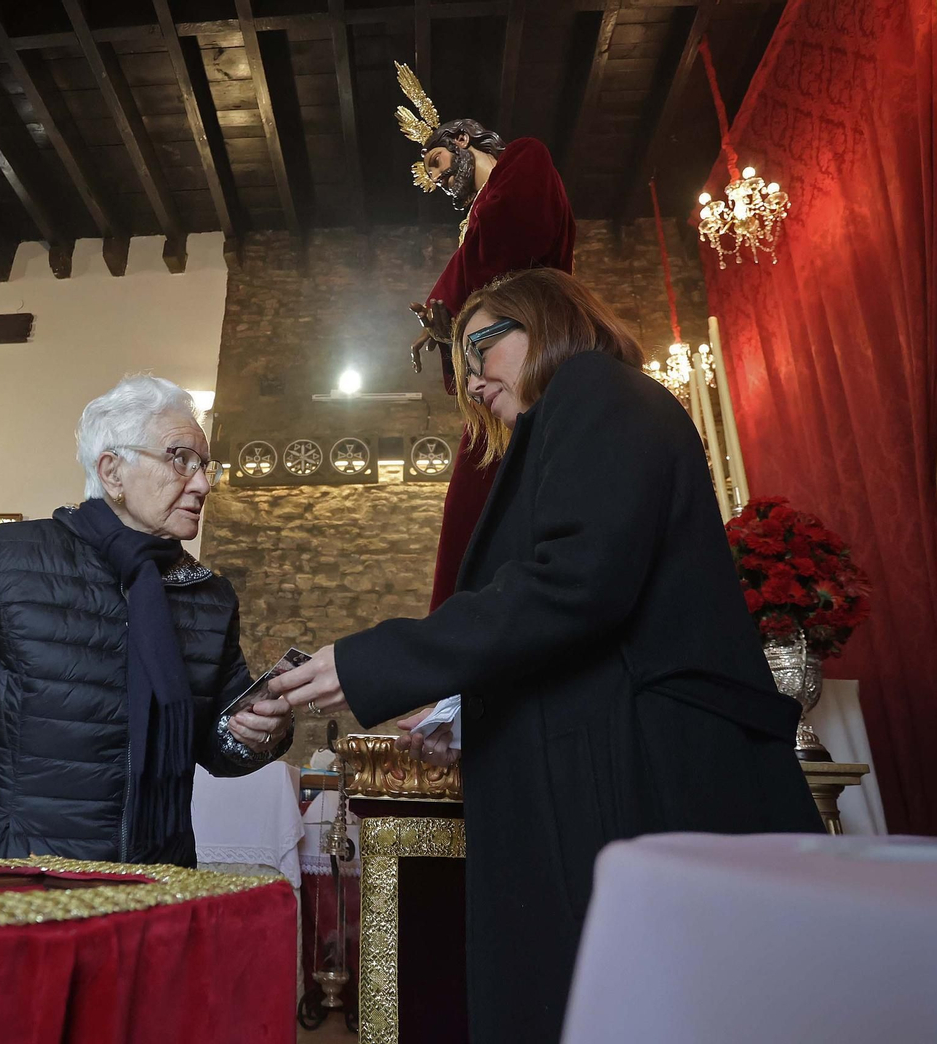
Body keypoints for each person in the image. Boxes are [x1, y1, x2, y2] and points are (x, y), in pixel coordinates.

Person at [269, 269, 823, 1042]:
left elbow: (579, 582)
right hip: (602, 758)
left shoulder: (597, 391)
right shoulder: (575, 418)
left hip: (634, 773)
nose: (470, 379)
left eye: (481, 347)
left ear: (548, 324)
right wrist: (465, 706)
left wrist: (376, 660)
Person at [0, 376, 293, 864]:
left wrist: (255, 730)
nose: (203, 483)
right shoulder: (5, 561)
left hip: (154, 884)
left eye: (205, 465)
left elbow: (215, 743)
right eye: (180, 459)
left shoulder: (206, 595)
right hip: (13, 882)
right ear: (113, 472)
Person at [395, 61, 577, 610]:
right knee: (472, 512)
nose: (433, 177)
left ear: (463, 138)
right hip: (497, 373)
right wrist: (446, 327)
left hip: (537, 352)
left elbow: (505, 243)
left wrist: (448, 303)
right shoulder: (475, 221)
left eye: (435, 160)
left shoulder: (524, 159)